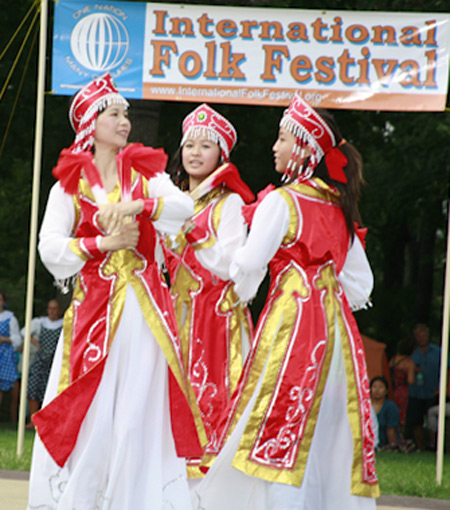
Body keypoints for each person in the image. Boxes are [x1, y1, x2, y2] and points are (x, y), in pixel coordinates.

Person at [27, 73, 205, 510]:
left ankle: (135, 499)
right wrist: (100, 244)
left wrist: (140, 206)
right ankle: (78, 498)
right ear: (91, 123)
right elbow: (49, 246)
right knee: (88, 406)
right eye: (114, 113)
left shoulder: (147, 174)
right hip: (94, 314)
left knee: (137, 409)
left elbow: (184, 208)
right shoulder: (68, 185)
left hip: (144, 314)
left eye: (126, 113)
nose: (125, 121)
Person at [192, 94, 379, 510]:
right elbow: (361, 285)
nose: (274, 147)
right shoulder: (339, 207)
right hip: (336, 330)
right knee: (325, 426)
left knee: (276, 418)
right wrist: (325, 290)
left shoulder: (282, 201)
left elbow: (246, 268)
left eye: (282, 139)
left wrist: (210, 245)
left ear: (304, 147)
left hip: (292, 323)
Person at [164, 103, 254, 476]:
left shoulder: (228, 203)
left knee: (216, 397)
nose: (195, 153)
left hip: (217, 319)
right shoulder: (171, 199)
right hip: (175, 314)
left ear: (221, 154)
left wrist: (194, 233)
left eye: (205, 146)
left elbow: (231, 264)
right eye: (189, 146)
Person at [20, 299, 63, 427]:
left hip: (54, 361)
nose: (52, 311)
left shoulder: (63, 324)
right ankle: (33, 420)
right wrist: (35, 342)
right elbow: (24, 332)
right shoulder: (40, 322)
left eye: (55, 308)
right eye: (50, 308)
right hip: (40, 360)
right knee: (33, 387)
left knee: (50, 390)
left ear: (59, 311)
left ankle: (47, 421)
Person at [406, 323, 443, 451]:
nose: (421, 338)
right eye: (418, 336)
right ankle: (421, 447)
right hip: (415, 392)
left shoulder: (438, 352)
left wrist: (442, 388)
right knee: (416, 421)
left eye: (424, 336)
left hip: (433, 391)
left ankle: (434, 446)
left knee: (434, 420)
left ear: (428, 336)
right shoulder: (411, 353)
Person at [0, 290, 21, 417]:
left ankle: (13, 419)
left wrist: (3, 339)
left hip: (4, 356)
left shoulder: (10, 318)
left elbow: (17, 339)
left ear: (4, 302)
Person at [389, 337, 416, 433]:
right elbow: (410, 380)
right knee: (402, 416)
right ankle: (400, 436)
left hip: (392, 389)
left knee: (392, 412)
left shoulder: (393, 359)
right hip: (402, 391)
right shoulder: (409, 362)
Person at [370, 376, 400, 450]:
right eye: (374, 387)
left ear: (386, 391)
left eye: (380, 387)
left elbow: (391, 429)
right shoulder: (365, 406)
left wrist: (391, 447)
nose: (377, 390)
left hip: (383, 444)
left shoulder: (390, 406)